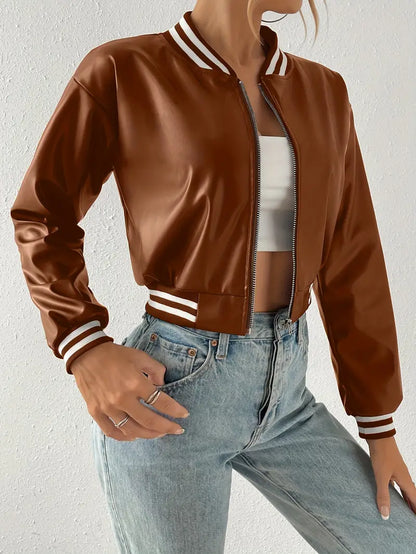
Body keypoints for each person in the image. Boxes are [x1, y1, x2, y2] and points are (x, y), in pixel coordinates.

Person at [10, 1, 416, 552]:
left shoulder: (323, 90)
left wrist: (379, 424)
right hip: (173, 386)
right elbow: (42, 214)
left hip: (289, 394)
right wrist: (84, 347)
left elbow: (352, 254)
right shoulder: (124, 71)